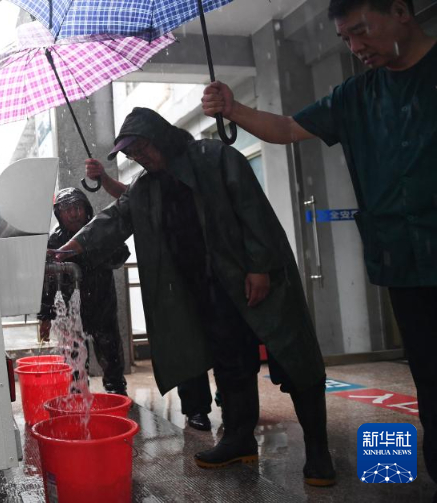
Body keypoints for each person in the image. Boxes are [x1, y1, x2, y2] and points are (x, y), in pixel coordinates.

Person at [201, 0, 436, 486]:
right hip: (403, 263)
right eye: (345, 38)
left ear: (401, 10)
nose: (355, 47)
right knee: (430, 381)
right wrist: (233, 109)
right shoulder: (357, 95)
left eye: (362, 31)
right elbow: (288, 128)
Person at [52, 107, 336, 486]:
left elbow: (253, 210)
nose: (140, 158)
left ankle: (318, 452)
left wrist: (260, 267)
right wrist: (70, 247)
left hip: (256, 280)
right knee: (231, 364)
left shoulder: (215, 158)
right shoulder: (147, 185)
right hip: (210, 291)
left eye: (142, 148)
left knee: (295, 361)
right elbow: (115, 218)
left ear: (161, 136)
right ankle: (239, 438)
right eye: (133, 154)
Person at [86, 161, 214, 431]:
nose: (139, 156)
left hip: (212, 270)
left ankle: (234, 404)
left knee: (223, 341)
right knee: (185, 340)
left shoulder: (198, 169)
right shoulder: (148, 181)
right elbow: (129, 196)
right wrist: (104, 178)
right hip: (175, 275)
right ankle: (197, 407)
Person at [38, 187, 130, 396]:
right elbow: (47, 284)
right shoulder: (55, 241)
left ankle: (116, 392)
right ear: (59, 214)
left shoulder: (98, 231)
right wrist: (45, 316)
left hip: (103, 305)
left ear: (86, 209)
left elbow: (121, 254)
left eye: (78, 207)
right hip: (71, 312)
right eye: (67, 209)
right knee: (74, 361)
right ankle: (78, 395)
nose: (73, 214)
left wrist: (93, 252)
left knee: (111, 353)